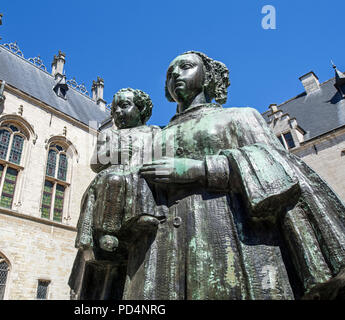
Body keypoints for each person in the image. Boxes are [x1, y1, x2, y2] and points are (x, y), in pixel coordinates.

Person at [131, 51, 345, 300]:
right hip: (162, 253)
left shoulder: (240, 117)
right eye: (169, 73)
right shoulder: (152, 137)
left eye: (186, 67)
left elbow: (279, 166)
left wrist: (201, 169)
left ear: (208, 76)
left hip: (231, 237)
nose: (176, 74)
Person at [69, 88, 162, 299]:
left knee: (144, 181)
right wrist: (115, 154)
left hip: (139, 180)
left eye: (125, 106)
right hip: (113, 179)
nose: (118, 112)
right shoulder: (109, 134)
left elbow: (159, 158)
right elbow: (95, 162)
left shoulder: (153, 132)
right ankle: (107, 232)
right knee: (114, 181)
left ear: (142, 110)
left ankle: (139, 217)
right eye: (114, 108)